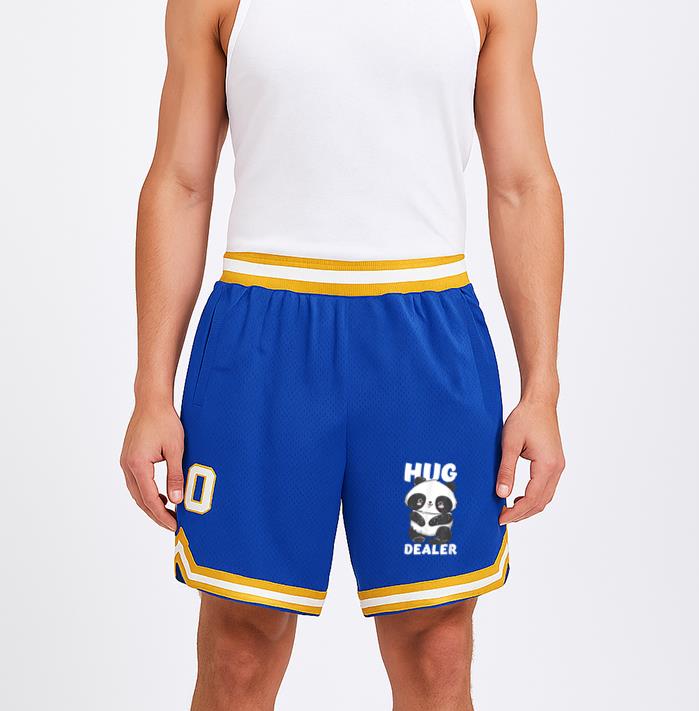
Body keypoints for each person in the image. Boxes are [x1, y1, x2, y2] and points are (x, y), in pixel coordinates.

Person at [120, 0, 565, 708]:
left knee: (437, 645)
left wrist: (541, 390)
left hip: (423, 345)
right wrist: (151, 391)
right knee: (239, 647)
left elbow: (520, 185)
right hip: (263, 344)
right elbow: (180, 181)